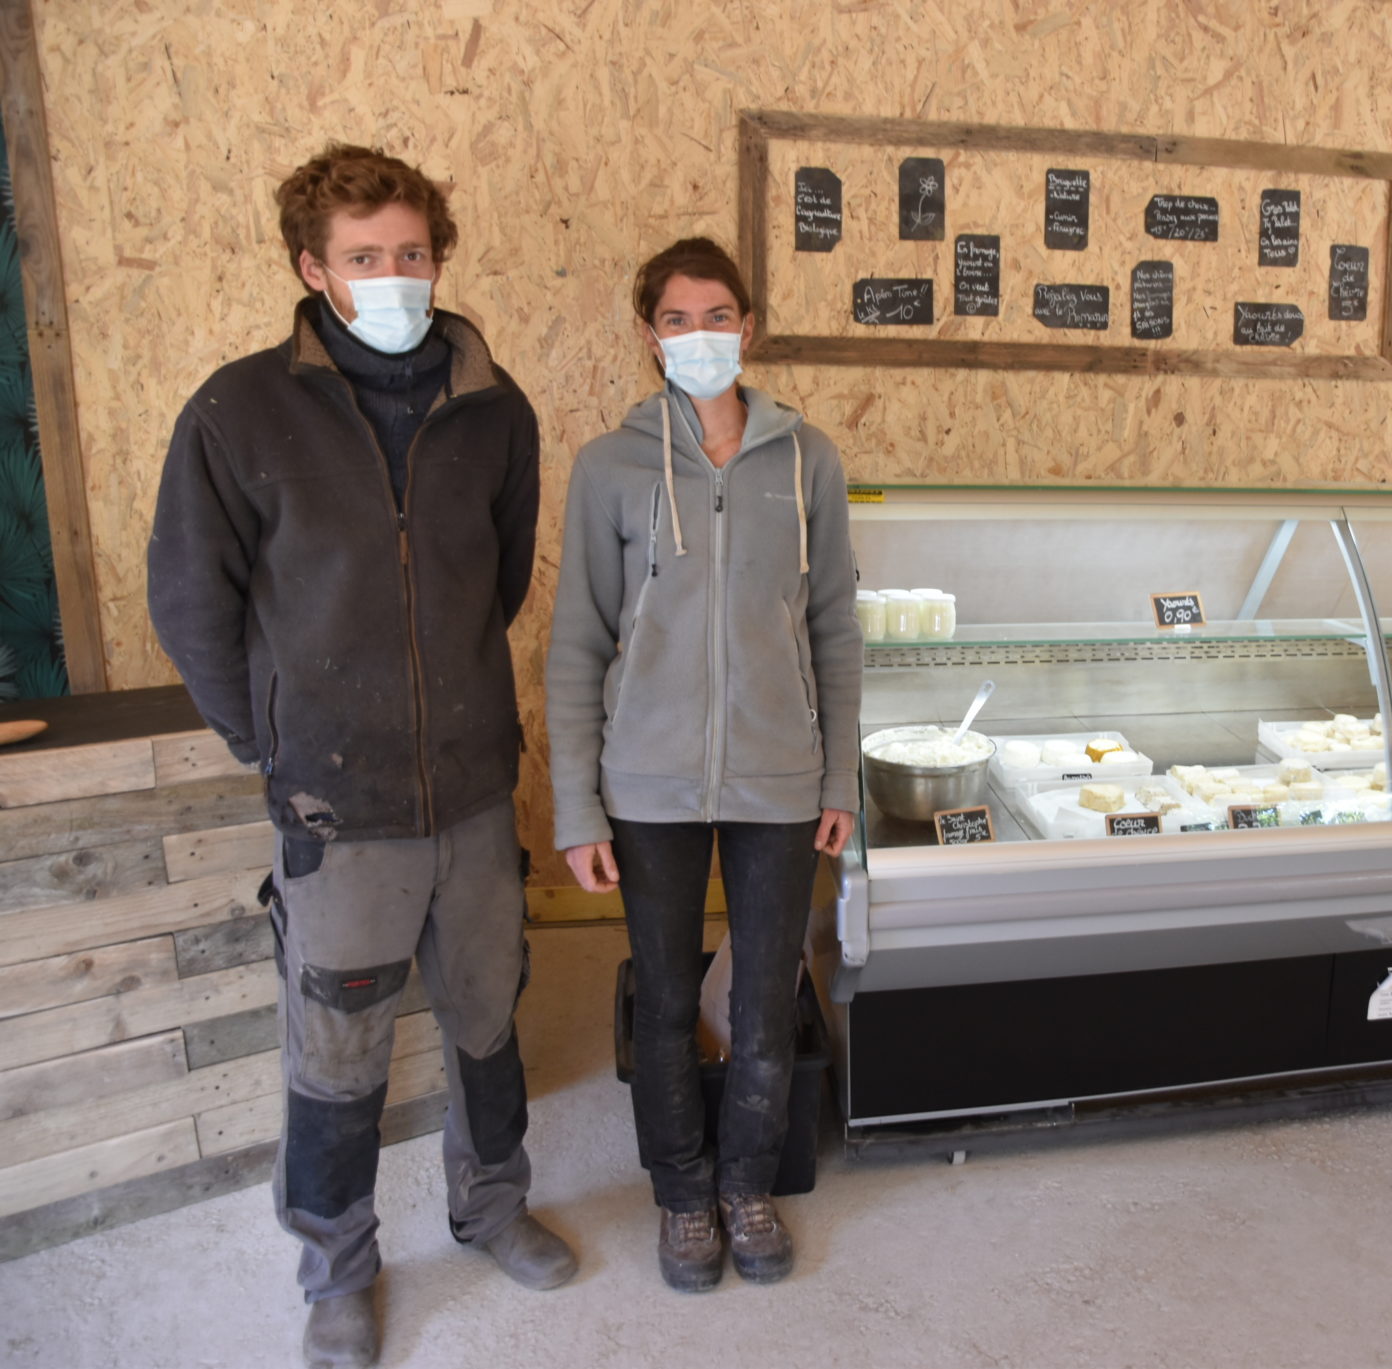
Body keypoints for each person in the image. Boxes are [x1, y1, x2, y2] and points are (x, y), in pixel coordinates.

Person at [148, 143, 574, 1368]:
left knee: (486, 1018)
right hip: (336, 807)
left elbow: (496, 580)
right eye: (364, 256)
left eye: (412, 252)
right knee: (336, 1054)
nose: (395, 275)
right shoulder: (238, 412)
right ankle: (336, 1266)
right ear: (313, 269)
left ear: (438, 256)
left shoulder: (494, 408)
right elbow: (192, 601)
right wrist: (273, 741)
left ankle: (490, 1205)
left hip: (474, 791)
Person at [547, 236, 860, 1291]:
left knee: (766, 1001)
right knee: (668, 1003)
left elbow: (835, 630)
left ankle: (746, 1185)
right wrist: (577, 808)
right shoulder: (610, 466)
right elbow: (577, 644)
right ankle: (683, 1195)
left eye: (716, 315)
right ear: (650, 337)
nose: (698, 335)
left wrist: (837, 780)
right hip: (649, 785)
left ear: (748, 327)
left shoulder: (807, 461)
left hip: (779, 778)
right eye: (676, 320)